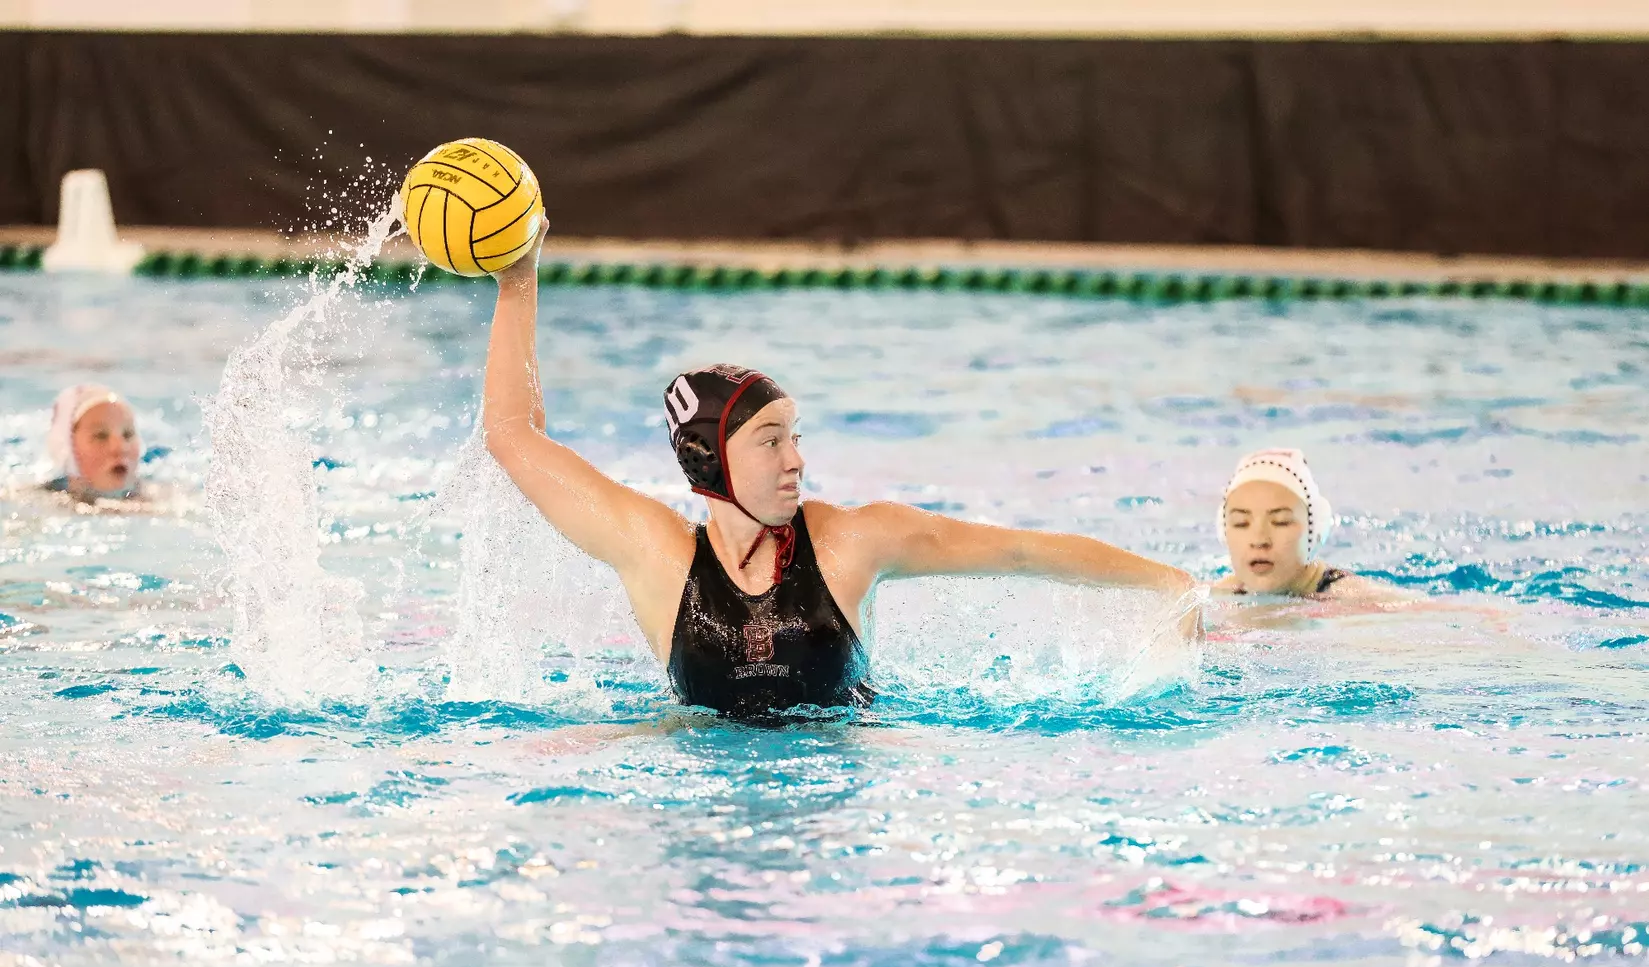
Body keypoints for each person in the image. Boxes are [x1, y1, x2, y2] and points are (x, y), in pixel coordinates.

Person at [481, 228, 1201, 717]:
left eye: (795, 436)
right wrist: (519, 274)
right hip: (695, 777)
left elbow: (1018, 549)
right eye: (769, 441)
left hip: (846, 775)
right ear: (708, 458)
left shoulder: (851, 543)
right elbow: (513, 436)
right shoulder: (655, 553)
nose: (795, 459)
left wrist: (1169, 585)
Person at [1213, 447, 1386, 600]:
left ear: (1315, 530)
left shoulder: (1356, 599)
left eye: (1281, 522)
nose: (1259, 540)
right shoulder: (1218, 596)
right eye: (1240, 523)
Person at [40, 384, 144, 503]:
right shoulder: (41, 503)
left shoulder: (162, 497)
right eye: (101, 436)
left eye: (128, 434)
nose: (121, 448)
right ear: (69, 449)